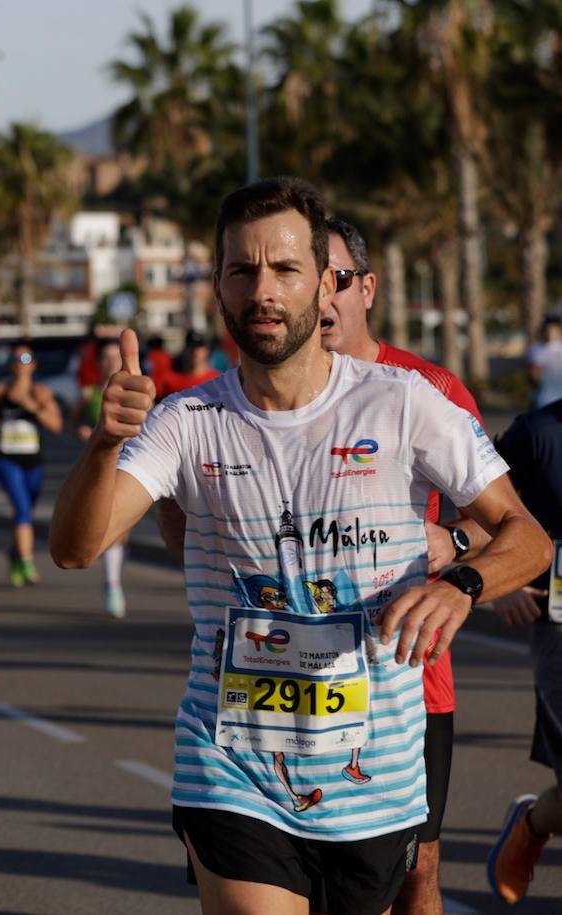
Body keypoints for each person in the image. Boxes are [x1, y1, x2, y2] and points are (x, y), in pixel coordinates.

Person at [50, 177, 550, 915]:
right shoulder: (188, 420)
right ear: (217, 288)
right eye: (242, 271)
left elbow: (526, 535)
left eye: (285, 269)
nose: (264, 290)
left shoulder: (405, 403)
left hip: (373, 775)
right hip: (231, 763)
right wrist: (105, 443)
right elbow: (74, 548)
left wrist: (461, 584)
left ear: (326, 283)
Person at [322, 217, 494, 915]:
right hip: (297, 669)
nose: (321, 297)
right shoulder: (272, 389)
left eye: (336, 278)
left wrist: (449, 545)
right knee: (312, 871)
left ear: (367, 287)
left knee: (418, 865)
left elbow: (499, 521)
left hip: (410, 670)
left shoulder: (430, 387)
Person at [485, 400, 562, 905]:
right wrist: (501, 583)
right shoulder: (537, 432)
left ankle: (534, 824)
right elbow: (481, 511)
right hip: (559, 629)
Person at [0, 341, 62, 587]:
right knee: (21, 510)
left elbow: (55, 426)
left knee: (27, 512)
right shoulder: (0, 392)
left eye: (26, 360)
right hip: (6, 459)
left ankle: (15, 553)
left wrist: (30, 405)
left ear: (34, 365)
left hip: (33, 462)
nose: (20, 365)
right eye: (16, 360)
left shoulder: (40, 392)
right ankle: (28, 563)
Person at [72, 337, 130, 617]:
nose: (110, 363)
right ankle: (113, 583)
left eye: (114, 357)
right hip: (98, 468)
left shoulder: (136, 391)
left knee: (120, 530)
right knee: (112, 526)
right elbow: (75, 422)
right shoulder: (90, 393)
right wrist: (83, 431)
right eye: (105, 358)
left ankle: (112, 579)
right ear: (98, 363)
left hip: (129, 465)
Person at [526, 317, 562, 409]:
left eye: (553, 331)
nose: (550, 334)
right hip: (545, 399)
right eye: (548, 331)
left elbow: (534, 374)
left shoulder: (537, 350)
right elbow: (534, 374)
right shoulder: (537, 350)